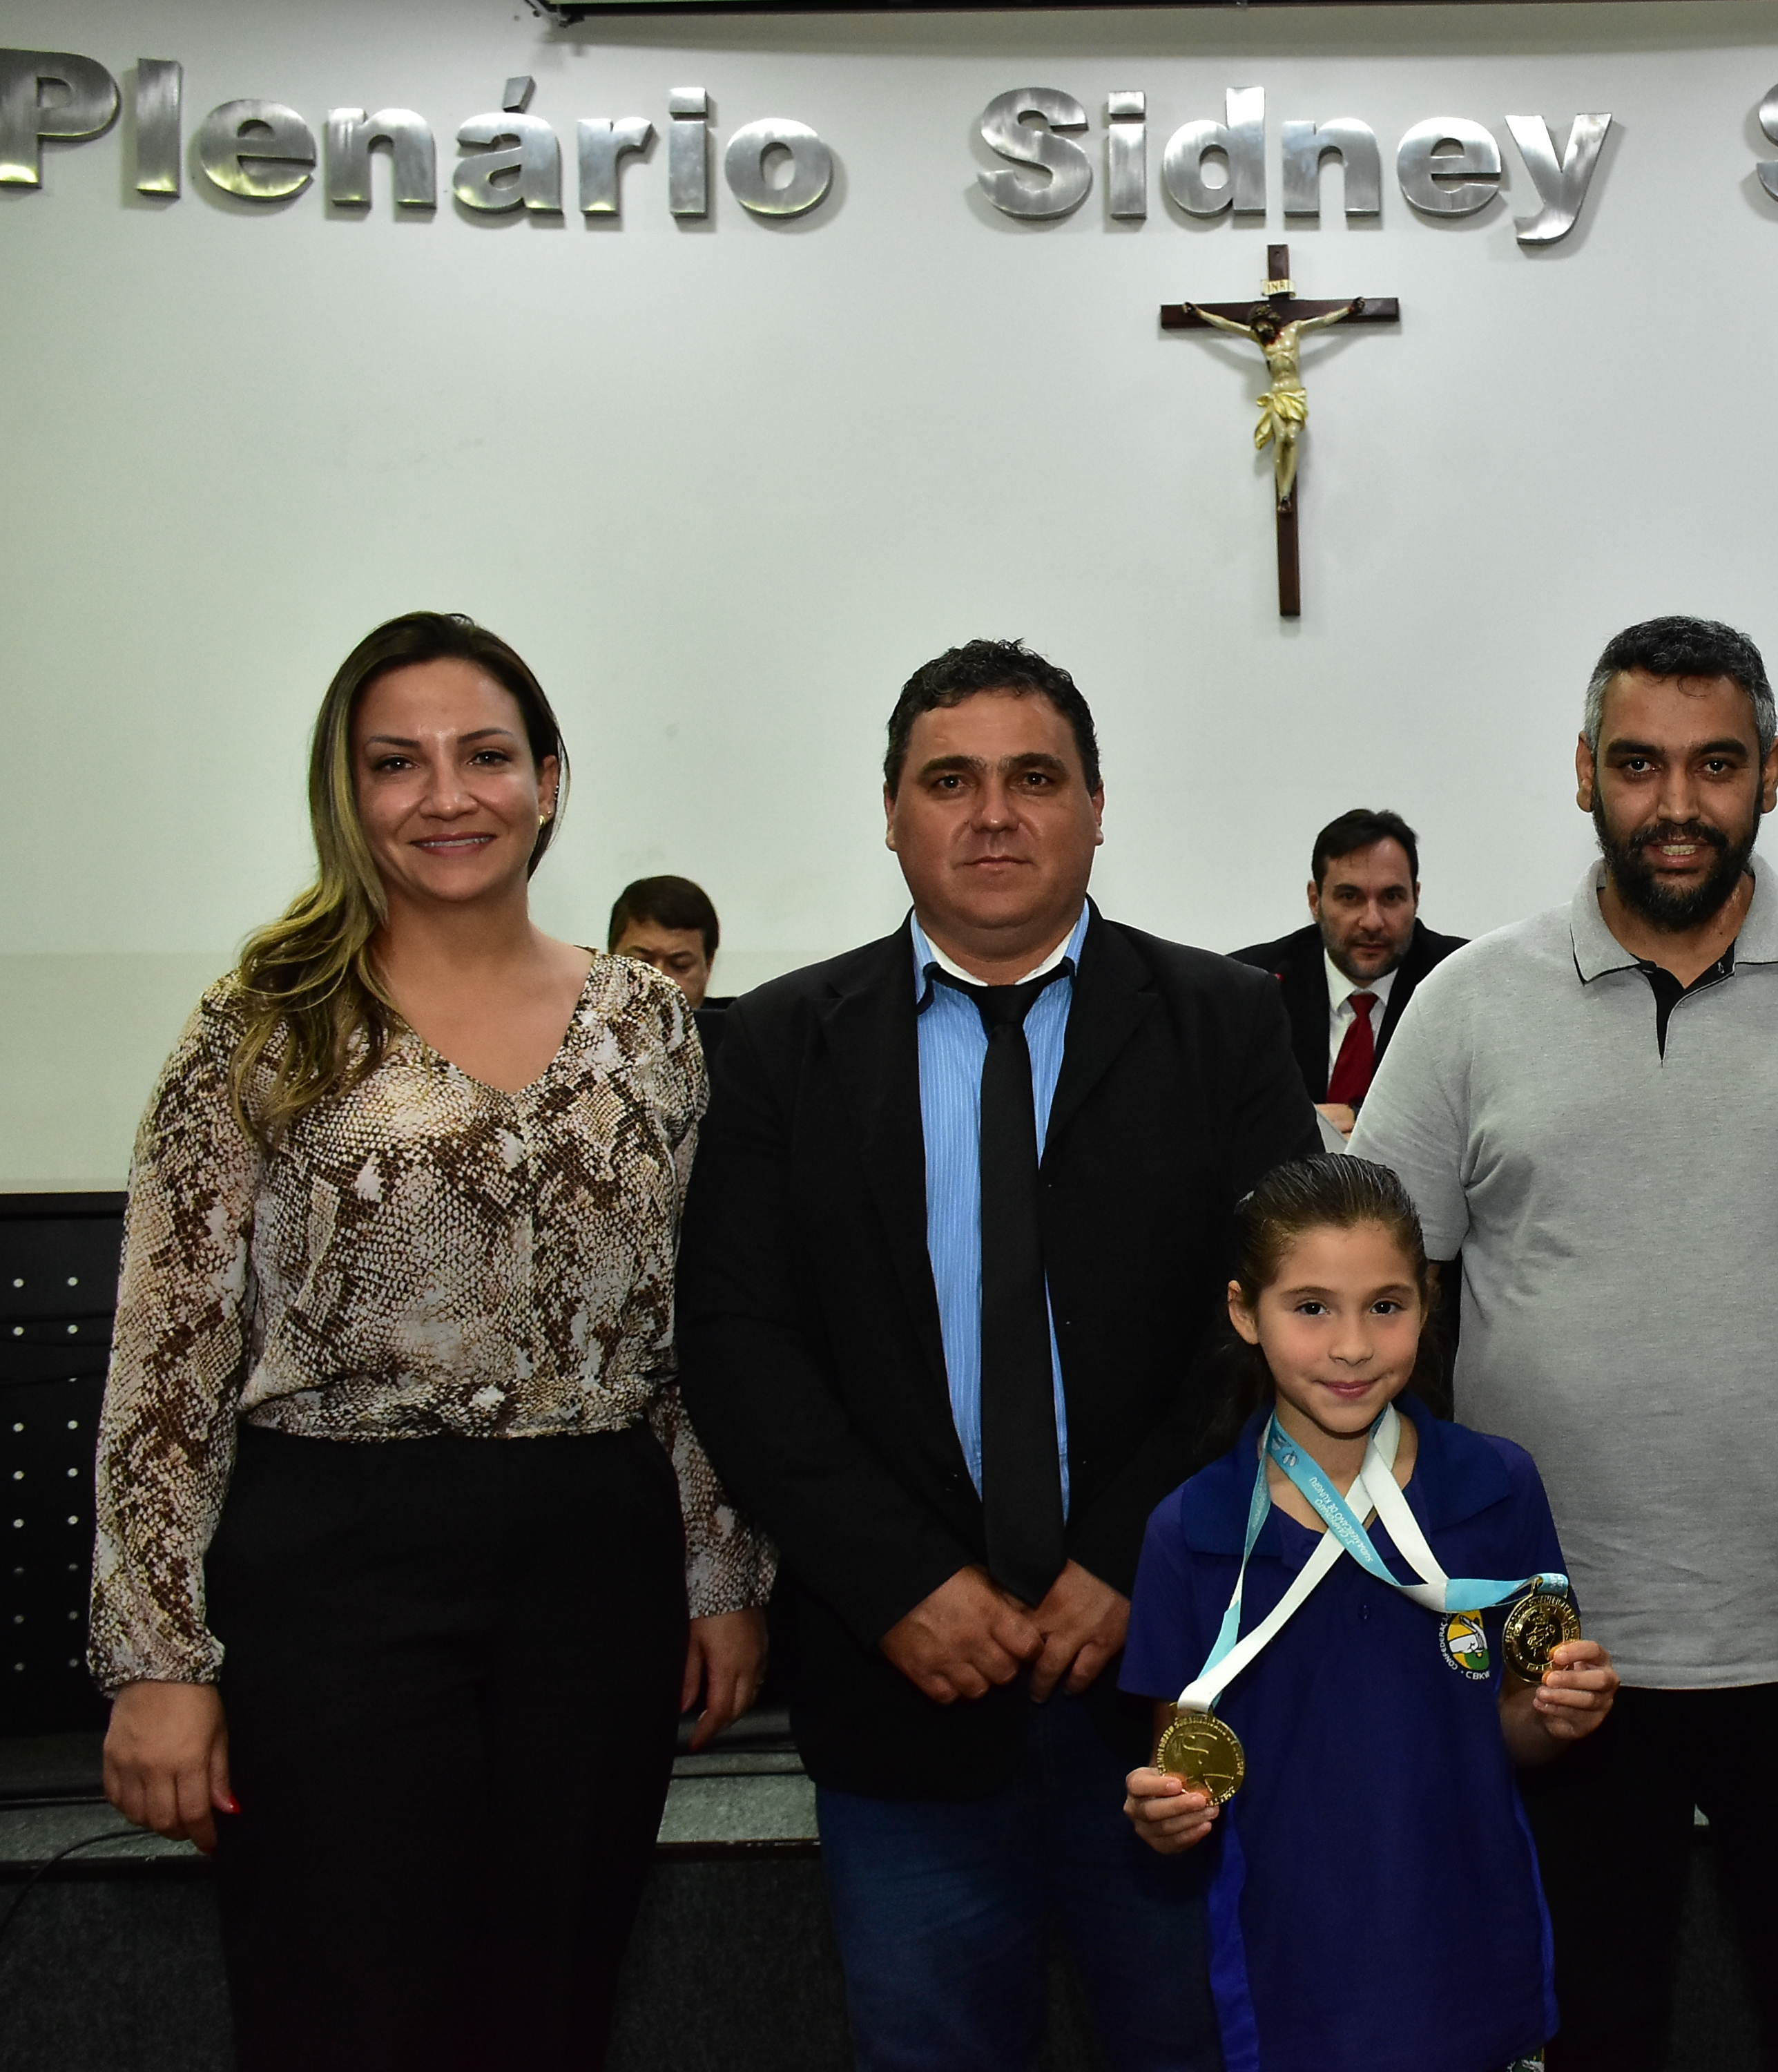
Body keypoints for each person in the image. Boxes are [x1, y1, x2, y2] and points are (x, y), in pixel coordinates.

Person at [1349, 615, 1778, 2072]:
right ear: (1583, 774)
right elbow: (1368, 1285)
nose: (1675, 804)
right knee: (1586, 2029)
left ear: (1772, 773)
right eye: (1638, 765)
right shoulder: (1467, 1003)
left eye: (1716, 765)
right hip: (1557, 1647)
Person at [91, 610, 772, 2072]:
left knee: (552, 1997)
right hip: (335, 1573)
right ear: (347, 792)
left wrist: (719, 1574)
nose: (445, 795)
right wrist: (158, 1659)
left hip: (596, 1565)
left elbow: (684, 1329)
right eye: (396, 762)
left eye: (486, 756)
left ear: (549, 779)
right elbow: (166, 1358)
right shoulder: (260, 1024)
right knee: (351, 2007)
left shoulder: (648, 1026)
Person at [676, 638, 1322, 2071]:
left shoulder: (1222, 1024)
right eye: (949, 781)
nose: (992, 817)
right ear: (891, 813)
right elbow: (738, 1342)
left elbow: (1278, 1315)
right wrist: (900, 1581)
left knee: (1195, 2046)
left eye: (1034, 779)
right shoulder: (778, 1045)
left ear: (1096, 807)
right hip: (899, 1688)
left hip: (1170, 1679)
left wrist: (1131, 1555)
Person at [1119, 1154, 1619, 2072]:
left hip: (1477, 1959)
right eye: (1311, 1307)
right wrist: (1165, 1814)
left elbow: (1514, 1727)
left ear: (1427, 1304)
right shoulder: (1191, 1532)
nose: (1351, 1345)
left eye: (1385, 1306)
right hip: (1292, 1979)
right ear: (1245, 1313)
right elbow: (1182, 1769)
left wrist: (1560, 1714)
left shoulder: (1496, 1486)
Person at [1231, 807, 1466, 1139]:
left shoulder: (1461, 981)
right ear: (1315, 901)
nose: (1372, 921)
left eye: (1391, 897)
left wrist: (1360, 1115)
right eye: (1349, 897)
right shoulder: (1254, 983)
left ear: (1415, 898)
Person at [610, 873, 728, 1012]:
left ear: (708, 965)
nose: (659, 984)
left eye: (680, 966)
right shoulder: (586, 1022)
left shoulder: (740, 1023)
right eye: (640, 964)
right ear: (609, 961)